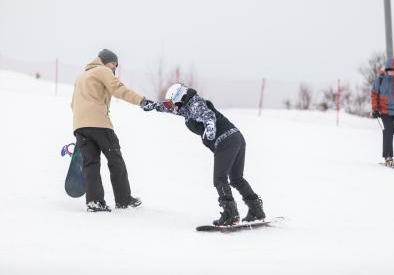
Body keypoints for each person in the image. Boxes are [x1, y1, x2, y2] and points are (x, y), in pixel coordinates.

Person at [143, 83, 266, 226]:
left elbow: (209, 117)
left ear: (181, 97)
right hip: (236, 137)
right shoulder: (186, 106)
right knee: (236, 178)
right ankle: (256, 210)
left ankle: (231, 214)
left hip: (225, 141)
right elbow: (172, 109)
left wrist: (210, 130)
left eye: (174, 103)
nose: (173, 107)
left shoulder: (195, 105)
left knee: (220, 179)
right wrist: (154, 106)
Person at [71, 49, 154, 212]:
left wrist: (82, 124)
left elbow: (72, 104)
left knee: (91, 164)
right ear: (105, 61)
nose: (115, 68)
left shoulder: (81, 77)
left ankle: (95, 202)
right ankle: (124, 199)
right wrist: (142, 101)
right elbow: (118, 89)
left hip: (80, 126)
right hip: (100, 125)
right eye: (114, 64)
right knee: (115, 159)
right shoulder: (102, 70)